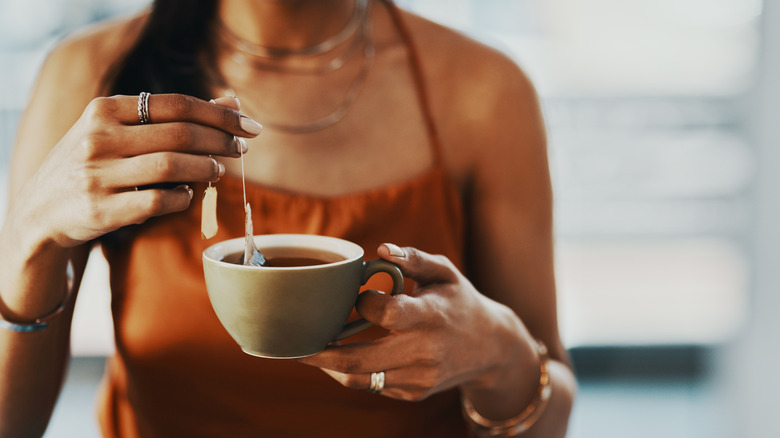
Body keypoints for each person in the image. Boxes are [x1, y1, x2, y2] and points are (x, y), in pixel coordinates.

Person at [0, 0, 576, 436]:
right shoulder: (93, 78)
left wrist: (499, 354)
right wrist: (30, 238)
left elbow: (553, 412)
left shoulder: (484, 91)